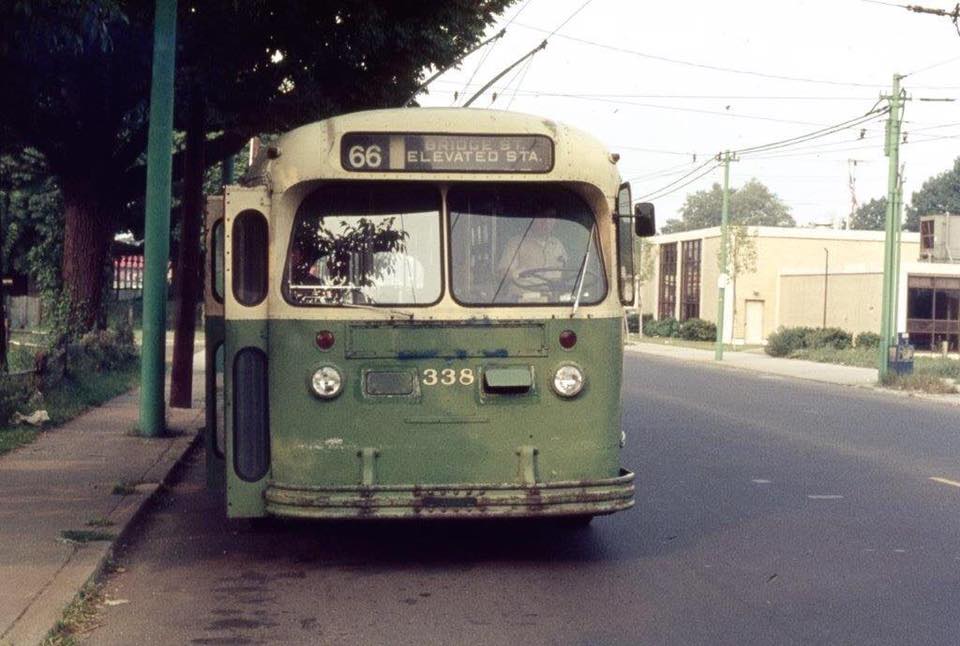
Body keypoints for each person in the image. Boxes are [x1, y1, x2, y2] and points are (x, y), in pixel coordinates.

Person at [496, 210, 569, 302]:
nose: (546, 222)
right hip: (522, 302)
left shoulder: (558, 245)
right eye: (541, 217)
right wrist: (519, 273)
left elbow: (565, 274)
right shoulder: (516, 243)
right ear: (532, 220)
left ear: (555, 221)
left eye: (550, 218)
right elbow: (503, 274)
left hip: (552, 302)